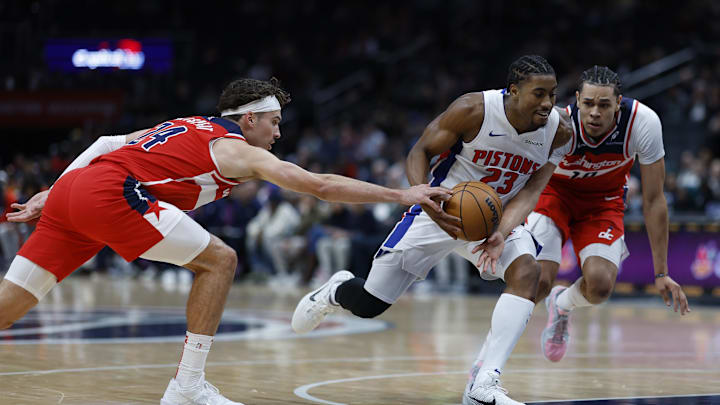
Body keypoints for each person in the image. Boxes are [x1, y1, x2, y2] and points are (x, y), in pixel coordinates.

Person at [2, 77, 451, 405]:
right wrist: (401, 194)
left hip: (73, 192)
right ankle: (187, 386)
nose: (278, 133)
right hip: (109, 194)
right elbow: (319, 185)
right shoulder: (236, 149)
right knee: (220, 261)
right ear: (249, 119)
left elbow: (106, 140)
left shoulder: (187, 123)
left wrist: (52, 190)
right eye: (274, 123)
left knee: (10, 305)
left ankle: (189, 387)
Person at [291, 55, 573, 405]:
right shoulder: (473, 109)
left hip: (491, 220)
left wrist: (503, 229)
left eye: (553, 94)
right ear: (513, 90)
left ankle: (483, 383)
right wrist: (423, 198)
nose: (548, 103)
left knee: (527, 274)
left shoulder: (560, 131)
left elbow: (531, 189)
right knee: (369, 304)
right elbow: (421, 150)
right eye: (539, 94)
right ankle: (336, 290)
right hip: (440, 209)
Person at [525, 66, 691, 364]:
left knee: (600, 286)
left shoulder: (643, 122)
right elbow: (527, 179)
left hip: (603, 202)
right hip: (554, 196)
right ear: (576, 100)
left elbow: (654, 200)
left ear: (619, 103)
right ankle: (485, 368)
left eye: (604, 105)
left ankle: (561, 306)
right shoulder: (557, 124)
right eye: (588, 104)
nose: (595, 113)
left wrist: (662, 273)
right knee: (535, 283)